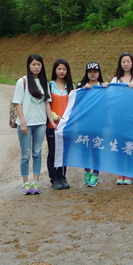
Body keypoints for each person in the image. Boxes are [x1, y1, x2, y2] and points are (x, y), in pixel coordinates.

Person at [13, 54, 56, 195]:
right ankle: (26, 183)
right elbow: (18, 103)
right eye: (33, 64)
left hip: (40, 124)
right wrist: (23, 122)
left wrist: (51, 122)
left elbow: (47, 103)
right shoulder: (22, 82)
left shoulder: (44, 82)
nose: (36, 67)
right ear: (29, 65)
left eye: (39, 64)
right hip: (26, 124)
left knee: (37, 153)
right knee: (25, 155)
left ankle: (36, 182)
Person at [110, 52, 133, 184]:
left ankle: (129, 173)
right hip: (118, 116)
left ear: (132, 63)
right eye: (123, 62)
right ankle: (120, 172)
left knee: (130, 143)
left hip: (132, 117)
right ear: (120, 63)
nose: (126, 64)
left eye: (128, 61)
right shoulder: (115, 80)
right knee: (119, 143)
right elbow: (111, 97)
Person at [77, 62, 108, 187]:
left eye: (95, 71)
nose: (93, 74)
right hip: (84, 123)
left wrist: (107, 88)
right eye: (90, 71)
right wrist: (83, 90)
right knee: (85, 148)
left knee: (96, 148)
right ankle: (87, 172)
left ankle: (95, 174)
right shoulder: (81, 86)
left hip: (98, 123)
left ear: (99, 73)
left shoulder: (103, 86)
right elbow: (75, 101)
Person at [46, 58, 73, 190]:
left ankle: (62, 177)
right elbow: (46, 105)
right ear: (55, 70)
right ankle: (54, 178)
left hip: (66, 126)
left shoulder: (71, 87)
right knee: (53, 152)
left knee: (64, 152)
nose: (62, 71)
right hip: (53, 125)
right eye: (59, 69)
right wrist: (56, 117)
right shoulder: (50, 86)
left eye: (64, 69)